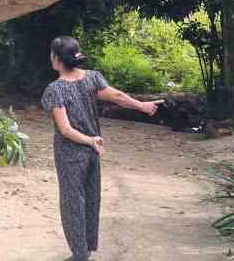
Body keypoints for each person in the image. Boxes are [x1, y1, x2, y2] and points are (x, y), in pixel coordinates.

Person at [41, 36, 160, 261]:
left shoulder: (55, 89)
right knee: (91, 198)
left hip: (71, 154)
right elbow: (116, 96)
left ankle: (80, 255)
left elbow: (65, 130)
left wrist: (88, 140)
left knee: (72, 203)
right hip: (94, 151)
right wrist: (141, 106)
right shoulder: (92, 78)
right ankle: (86, 250)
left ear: (56, 59)